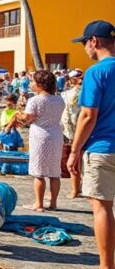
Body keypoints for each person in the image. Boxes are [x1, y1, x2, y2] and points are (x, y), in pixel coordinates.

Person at [67, 20, 115, 269]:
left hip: (104, 149)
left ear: (94, 42)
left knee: (102, 208)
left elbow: (87, 115)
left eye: (84, 42)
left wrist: (74, 150)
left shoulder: (97, 72)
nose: (85, 48)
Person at [10, 70, 65, 211]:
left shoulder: (35, 100)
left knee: (38, 172)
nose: (31, 84)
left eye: (33, 81)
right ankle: (53, 203)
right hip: (56, 135)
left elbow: (27, 118)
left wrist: (17, 114)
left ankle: (39, 204)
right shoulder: (59, 99)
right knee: (54, 172)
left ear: (40, 84)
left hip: (40, 136)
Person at [62, 69, 84, 198]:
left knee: (74, 164)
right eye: (77, 78)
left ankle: (75, 190)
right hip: (69, 131)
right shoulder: (67, 94)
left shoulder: (76, 94)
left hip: (77, 132)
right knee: (74, 163)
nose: (80, 80)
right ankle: (76, 188)